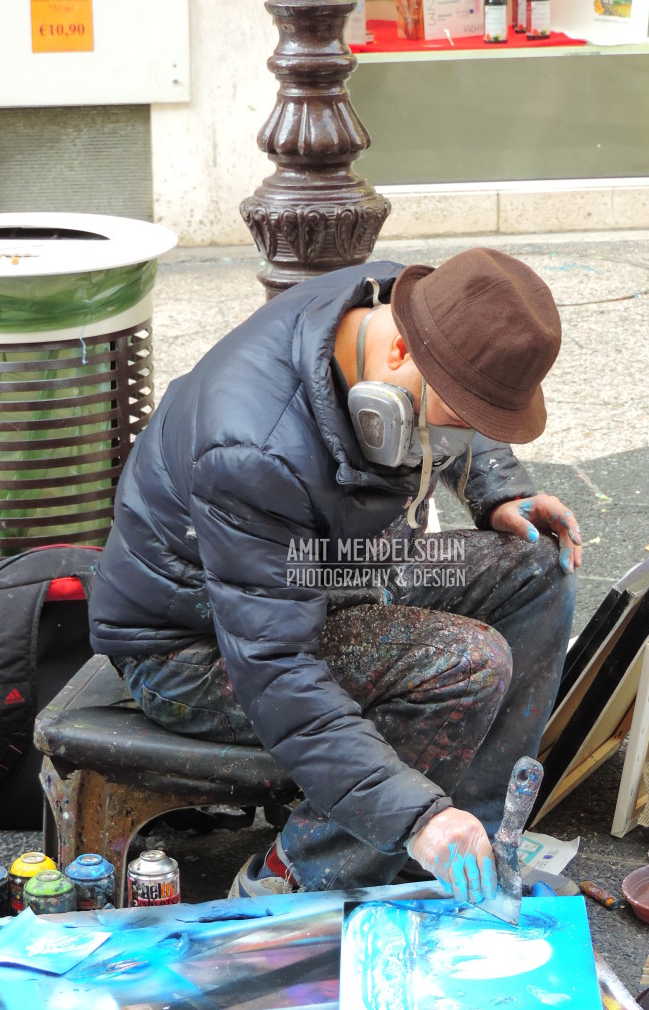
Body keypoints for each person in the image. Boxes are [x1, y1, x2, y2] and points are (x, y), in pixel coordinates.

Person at [89, 248, 582, 906]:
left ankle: (478, 844)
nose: (455, 437)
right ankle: (295, 878)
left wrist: (497, 489)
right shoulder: (254, 451)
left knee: (536, 564)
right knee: (466, 660)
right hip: (193, 647)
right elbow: (274, 667)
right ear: (402, 352)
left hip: (318, 572)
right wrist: (416, 817)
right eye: (453, 419)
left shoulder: (403, 306)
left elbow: (466, 397)